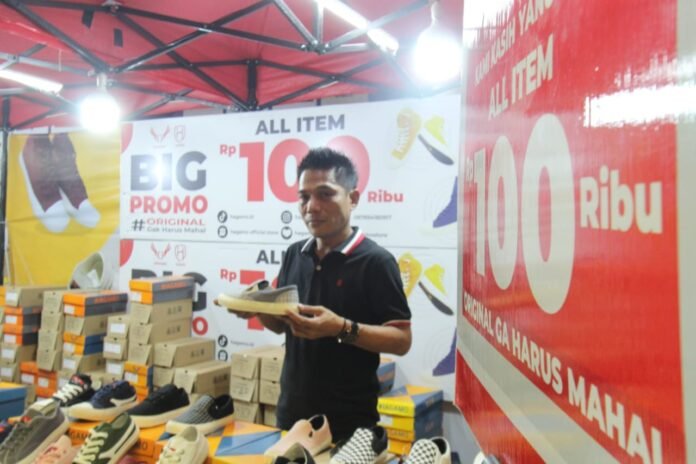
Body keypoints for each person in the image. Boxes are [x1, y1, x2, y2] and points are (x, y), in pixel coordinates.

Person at [243, 147, 412, 442]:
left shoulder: (376, 262)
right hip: (292, 416)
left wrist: (341, 328)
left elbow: (401, 340)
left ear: (353, 198)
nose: (312, 207)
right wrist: (260, 307)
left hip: (349, 425)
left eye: (325, 194)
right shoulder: (294, 254)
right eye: (304, 197)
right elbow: (282, 326)